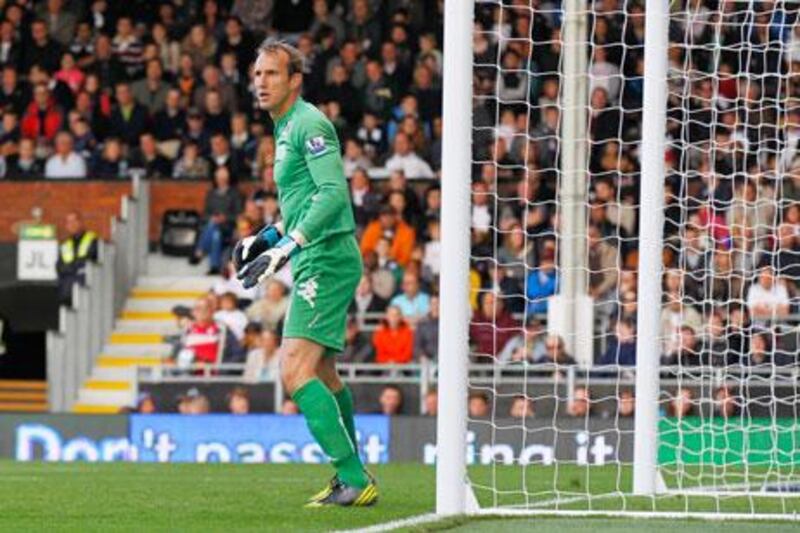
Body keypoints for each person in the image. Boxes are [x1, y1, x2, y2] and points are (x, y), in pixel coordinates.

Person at [233, 40, 375, 507]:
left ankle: (353, 477)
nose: (262, 82)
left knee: (292, 369)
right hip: (317, 252)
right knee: (323, 374)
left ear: (295, 79)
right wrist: (268, 238)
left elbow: (334, 193)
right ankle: (354, 476)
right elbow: (304, 200)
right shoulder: (286, 126)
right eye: (257, 75)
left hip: (327, 256)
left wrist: (291, 244)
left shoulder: (309, 123)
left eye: (272, 74)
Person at [56, 211, 98, 305]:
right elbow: (59, 267)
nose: (72, 225)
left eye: (74, 221)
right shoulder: (65, 245)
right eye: (69, 222)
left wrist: (71, 267)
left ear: (81, 222)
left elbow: (89, 260)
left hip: (86, 291)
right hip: (67, 293)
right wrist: (74, 267)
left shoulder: (92, 239)